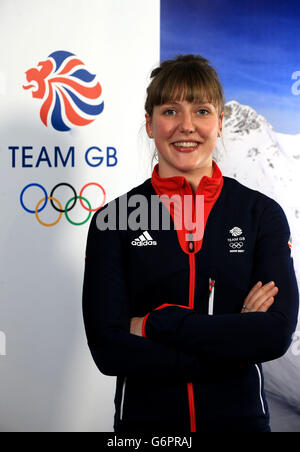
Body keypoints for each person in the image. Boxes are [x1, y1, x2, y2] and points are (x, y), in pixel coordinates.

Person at [82, 55, 299, 433]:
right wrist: (233, 342)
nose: (186, 126)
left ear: (219, 123)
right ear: (149, 124)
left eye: (201, 110)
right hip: (146, 431)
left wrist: (155, 323)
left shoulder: (260, 214)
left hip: (241, 424)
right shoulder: (113, 220)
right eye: (170, 110)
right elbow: (108, 348)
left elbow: (274, 333)